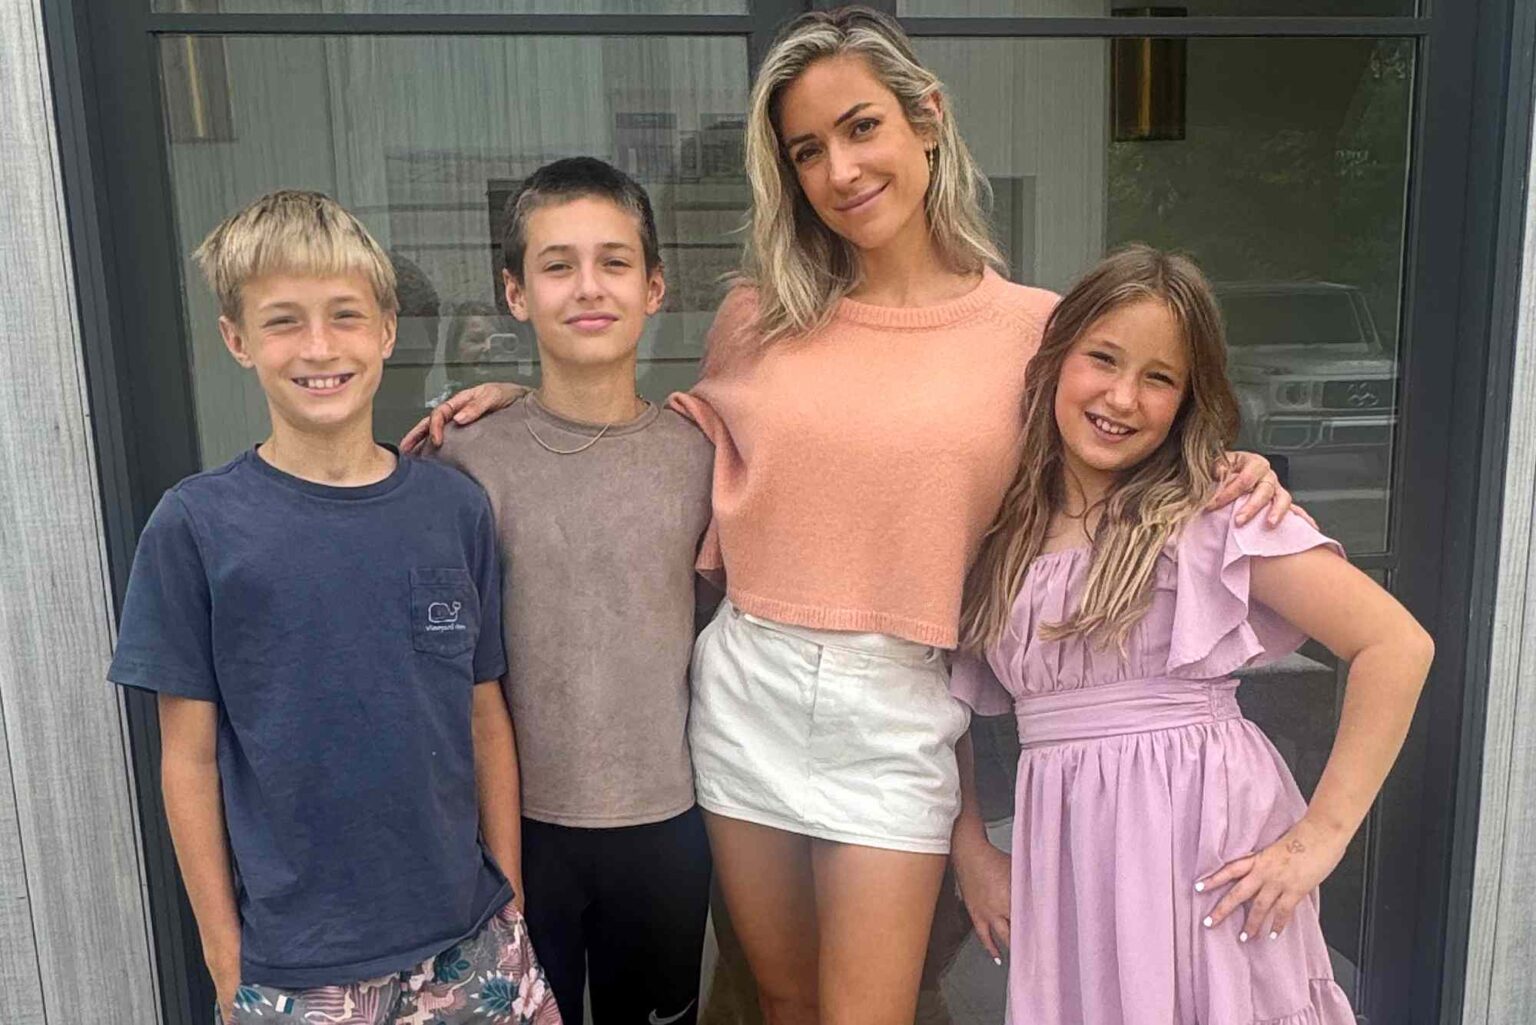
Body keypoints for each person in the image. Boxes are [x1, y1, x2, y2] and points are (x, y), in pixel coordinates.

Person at [403, 9, 1290, 1023]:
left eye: (862, 127)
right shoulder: (758, 316)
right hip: (747, 686)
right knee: (779, 1000)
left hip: (898, 702)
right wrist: (517, 406)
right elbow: (655, 436)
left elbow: (1117, 448)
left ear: (927, 119)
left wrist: (1225, 468)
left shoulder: (1035, 333)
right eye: (807, 150)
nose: (841, 169)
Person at [107, 190, 560, 1025]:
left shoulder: (452, 509)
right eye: (283, 321)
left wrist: (510, 891)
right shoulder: (197, 526)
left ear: (386, 330)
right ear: (236, 339)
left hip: (471, 940)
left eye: (345, 315)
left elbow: (482, 711)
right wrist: (222, 953)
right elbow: (188, 758)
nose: (319, 347)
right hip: (296, 965)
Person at [947, 245, 1432, 1025]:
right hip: (1070, 855)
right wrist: (970, 846)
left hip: (1201, 839)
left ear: (1187, 399)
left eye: (1159, 377)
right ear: (1056, 357)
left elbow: (1396, 645)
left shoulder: (1209, 511)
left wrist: (1320, 838)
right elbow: (941, 699)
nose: (1122, 396)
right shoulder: (1003, 528)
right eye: (1103, 358)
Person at [429, 157, 716, 1025]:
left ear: (655, 286)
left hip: (667, 819)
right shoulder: (464, 457)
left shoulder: (703, 455)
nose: (588, 286)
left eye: (614, 262)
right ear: (515, 293)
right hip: (517, 830)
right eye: (557, 265)